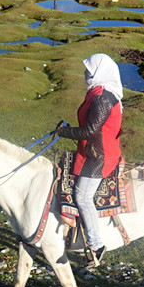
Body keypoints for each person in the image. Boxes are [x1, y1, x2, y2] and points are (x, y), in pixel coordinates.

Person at [56, 52, 123, 268]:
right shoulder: (99, 92)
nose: (85, 73)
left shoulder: (103, 98)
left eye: (88, 69)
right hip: (96, 148)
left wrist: (64, 132)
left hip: (98, 155)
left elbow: (90, 130)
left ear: (98, 71)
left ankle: (96, 245)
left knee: (82, 196)